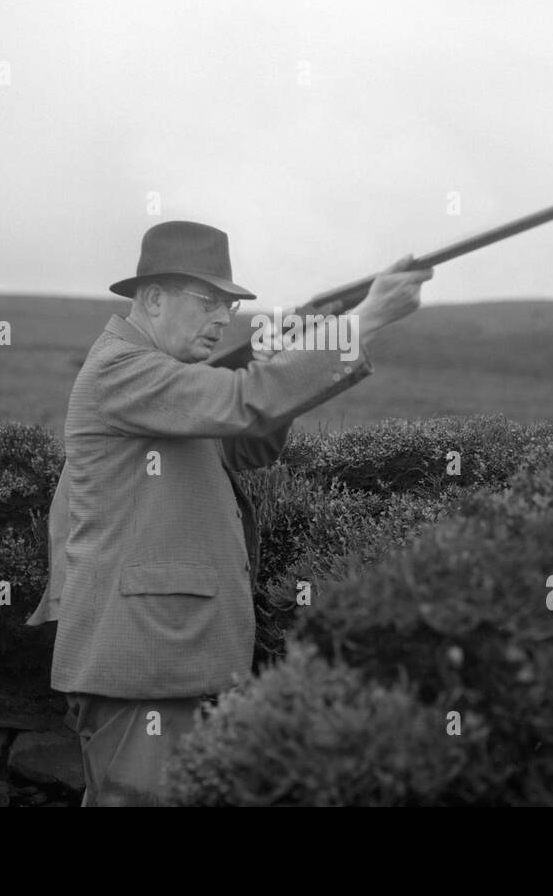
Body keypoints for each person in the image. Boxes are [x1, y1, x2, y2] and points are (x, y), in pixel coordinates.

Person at [50, 220, 432, 805]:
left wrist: (282, 358)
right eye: (208, 302)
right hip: (144, 665)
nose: (222, 318)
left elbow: (245, 445)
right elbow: (245, 402)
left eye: (228, 306)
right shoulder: (123, 369)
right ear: (152, 298)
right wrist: (370, 317)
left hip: (175, 657)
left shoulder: (170, 379)